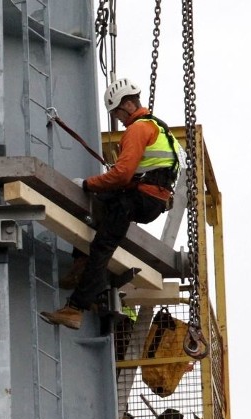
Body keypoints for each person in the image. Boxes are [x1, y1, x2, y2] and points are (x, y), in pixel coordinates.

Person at [40, 78, 181, 330]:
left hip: (140, 198)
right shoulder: (158, 128)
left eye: (116, 112)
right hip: (152, 199)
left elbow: (122, 175)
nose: (117, 118)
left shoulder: (138, 129)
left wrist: (86, 184)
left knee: (102, 246)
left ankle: (75, 308)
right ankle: (80, 264)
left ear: (127, 104)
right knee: (102, 207)